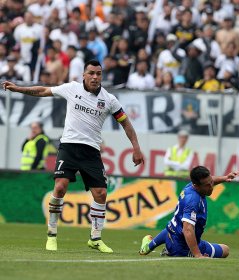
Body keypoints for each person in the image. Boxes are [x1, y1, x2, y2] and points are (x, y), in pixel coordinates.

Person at [2, 59, 144, 253]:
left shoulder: (109, 99)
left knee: (101, 194)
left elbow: (125, 123)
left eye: (98, 73)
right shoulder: (72, 88)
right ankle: (51, 235)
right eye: (91, 73)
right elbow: (43, 91)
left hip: (91, 150)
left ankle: (95, 238)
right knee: (60, 187)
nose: (95, 77)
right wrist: (19, 89)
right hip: (68, 146)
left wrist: (136, 147)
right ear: (84, 74)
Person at [139, 166, 239, 258]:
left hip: (172, 233)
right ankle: (171, 252)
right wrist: (198, 255)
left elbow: (210, 180)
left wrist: (225, 178)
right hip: (183, 247)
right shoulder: (193, 200)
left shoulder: (191, 186)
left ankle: (148, 247)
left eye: (211, 183)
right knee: (225, 250)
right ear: (196, 186)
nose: (211, 187)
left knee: (173, 227)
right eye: (207, 185)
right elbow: (187, 230)